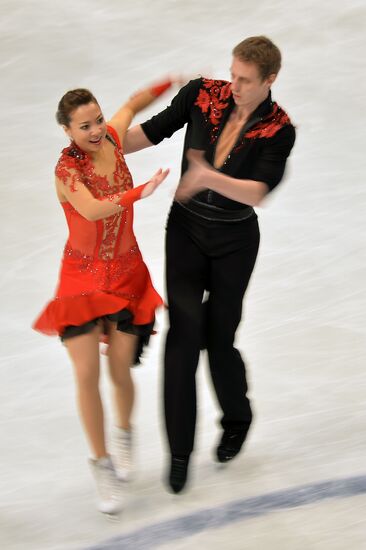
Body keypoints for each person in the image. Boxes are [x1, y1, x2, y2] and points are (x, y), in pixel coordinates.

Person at [123, 36, 296, 493]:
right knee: (182, 334)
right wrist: (104, 144)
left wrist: (206, 176)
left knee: (219, 339)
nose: (234, 84)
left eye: (245, 80)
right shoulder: (202, 94)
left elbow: (257, 191)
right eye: (233, 74)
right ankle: (180, 453)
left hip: (235, 241)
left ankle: (237, 417)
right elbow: (152, 130)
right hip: (186, 233)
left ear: (269, 80)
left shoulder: (280, 129)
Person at [33, 79, 175, 514]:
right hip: (82, 279)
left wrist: (170, 83)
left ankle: (124, 433)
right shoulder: (67, 171)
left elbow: (133, 103)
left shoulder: (112, 136)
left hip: (127, 274)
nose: (95, 131)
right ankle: (101, 464)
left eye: (97, 120)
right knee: (85, 375)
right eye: (83, 126)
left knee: (119, 370)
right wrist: (139, 192)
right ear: (66, 131)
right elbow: (93, 209)